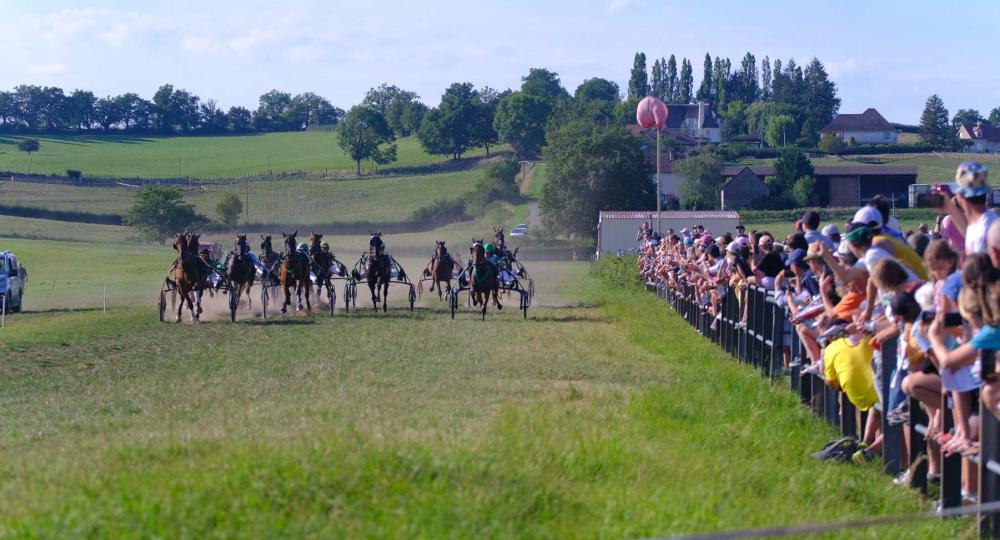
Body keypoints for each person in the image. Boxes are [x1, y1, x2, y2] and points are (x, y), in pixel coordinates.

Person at [940, 162, 997, 255]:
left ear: (961, 196)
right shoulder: (987, 221)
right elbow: (970, 234)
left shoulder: (983, 231)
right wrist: (951, 210)